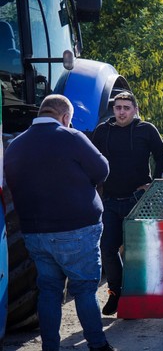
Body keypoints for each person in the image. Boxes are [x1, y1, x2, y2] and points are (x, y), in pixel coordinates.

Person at [4, 94, 115, 351]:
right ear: (65, 117)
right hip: (76, 231)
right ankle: (98, 345)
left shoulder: (16, 145)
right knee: (85, 290)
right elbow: (102, 171)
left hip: (35, 233)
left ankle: (50, 347)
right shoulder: (71, 138)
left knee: (49, 291)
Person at [91, 91, 163, 316]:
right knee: (107, 248)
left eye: (126, 107)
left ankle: (138, 298)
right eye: (118, 107)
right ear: (113, 110)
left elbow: (162, 156)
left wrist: (154, 184)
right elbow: (92, 159)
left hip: (138, 200)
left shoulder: (146, 130)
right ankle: (116, 292)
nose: (122, 111)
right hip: (109, 200)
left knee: (137, 252)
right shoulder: (103, 131)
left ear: (135, 109)